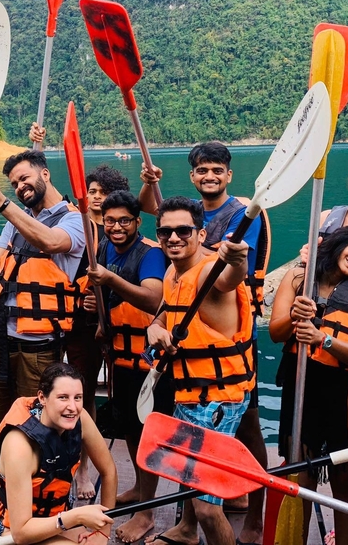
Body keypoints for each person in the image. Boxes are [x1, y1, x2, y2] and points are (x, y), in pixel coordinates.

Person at [140, 141, 271, 543]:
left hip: (217, 400)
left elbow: (229, 278)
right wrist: (155, 331)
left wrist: (234, 259)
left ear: (201, 234)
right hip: (188, 389)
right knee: (187, 475)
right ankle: (185, 530)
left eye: (183, 231)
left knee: (207, 505)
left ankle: (230, 523)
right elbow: (163, 317)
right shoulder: (172, 274)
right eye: (165, 232)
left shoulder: (211, 271)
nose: (173, 238)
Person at [269, 222, 348, 545]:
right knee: (302, 470)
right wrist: (295, 318)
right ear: (341, 243)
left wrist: (322, 338)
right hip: (302, 385)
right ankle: (295, 537)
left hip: (343, 391)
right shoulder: (299, 278)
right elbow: (275, 332)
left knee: (344, 477)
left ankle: (345, 542)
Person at [83, 190, 168, 543]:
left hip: (147, 363)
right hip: (118, 356)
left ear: (138, 222)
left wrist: (110, 280)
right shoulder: (102, 247)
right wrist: (100, 311)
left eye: (124, 221)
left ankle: (147, 513)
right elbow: (105, 292)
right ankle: (140, 489)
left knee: (147, 432)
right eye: (110, 220)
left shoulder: (150, 255)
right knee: (131, 431)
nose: (116, 227)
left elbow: (153, 297)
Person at [0, 150, 85, 425]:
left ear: (45, 174)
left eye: (24, 178)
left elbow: (49, 241)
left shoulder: (75, 220)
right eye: (13, 184)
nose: (19, 187)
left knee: (33, 425)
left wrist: (1, 202)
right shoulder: (16, 221)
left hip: (38, 349)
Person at [0, 362, 118, 544]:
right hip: (13, 529)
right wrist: (76, 517)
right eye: (63, 397)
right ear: (42, 397)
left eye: (77, 398)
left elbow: (109, 471)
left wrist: (103, 532)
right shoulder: (19, 446)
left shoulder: (80, 418)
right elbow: (21, 533)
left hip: (56, 519)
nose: (72, 407)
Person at [67, 164, 130, 502]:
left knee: (85, 395)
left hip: (94, 327)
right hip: (62, 322)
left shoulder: (114, 234)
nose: (94, 198)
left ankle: (83, 468)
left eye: (101, 194)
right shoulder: (74, 225)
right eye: (90, 192)